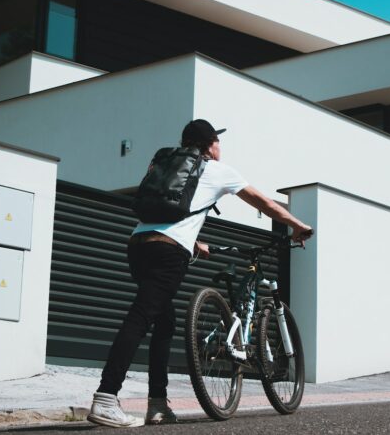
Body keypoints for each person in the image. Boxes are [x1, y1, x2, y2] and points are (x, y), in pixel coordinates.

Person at [87, 119, 314, 428]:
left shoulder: (171, 165)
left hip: (139, 244)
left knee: (164, 322)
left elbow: (166, 213)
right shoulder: (218, 170)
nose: (220, 147)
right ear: (210, 146)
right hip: (169, 253)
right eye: (217, 142)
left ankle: (157, 404)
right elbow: (262, 201)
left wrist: (194, 242)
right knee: (141, 316)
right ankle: (106, 397)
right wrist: (297, 225)